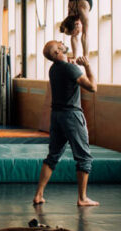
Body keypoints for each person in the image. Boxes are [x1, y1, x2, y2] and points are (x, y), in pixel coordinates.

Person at [34, 40, 98, 207]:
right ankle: (82, 198)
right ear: (56, 53)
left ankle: (39, 194)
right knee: (84, 157)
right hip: (71, 115)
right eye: (58, 44)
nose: (62, 43)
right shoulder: (70, 68)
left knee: (53, 156)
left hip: (56, 116)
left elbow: (67, 73)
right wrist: (88, 66)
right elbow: (92, 87)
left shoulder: (54, 69)